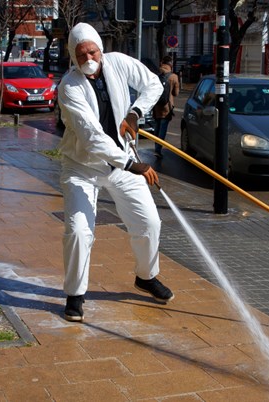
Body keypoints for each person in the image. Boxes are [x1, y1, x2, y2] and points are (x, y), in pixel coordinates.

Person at [56, 23, 173, 322]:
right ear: (73, 56)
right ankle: (75, 295)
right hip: (82, 167)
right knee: (79, 231)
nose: (89, 58)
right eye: (81, 55)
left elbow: (154, 85)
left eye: (92, 51)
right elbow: (91, 136)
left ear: (100, 49)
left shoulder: (119, 62)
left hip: (120, 164)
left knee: (149, 222)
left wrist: (135, 113)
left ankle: (146, 277)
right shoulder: (69, 87)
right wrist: (133, 164)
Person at [152, 55, 180, 158]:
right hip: (167, 107)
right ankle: (158, 150)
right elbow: (176, 93)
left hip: (156, 106)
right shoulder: (173, 77)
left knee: (157, 127)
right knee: (162, 128)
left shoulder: (156, 74)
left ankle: (156, 147)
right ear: (170, 65)